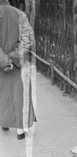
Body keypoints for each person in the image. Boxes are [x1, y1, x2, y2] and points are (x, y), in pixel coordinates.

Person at [0, 0, 35, 139]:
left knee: (3, 93)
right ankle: (21, 129)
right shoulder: (20, 14)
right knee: (20, 94)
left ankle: (4, 122)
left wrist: (3, 61)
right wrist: (14, 58)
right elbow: (27, 39)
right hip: (19, 64)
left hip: (1, 65)